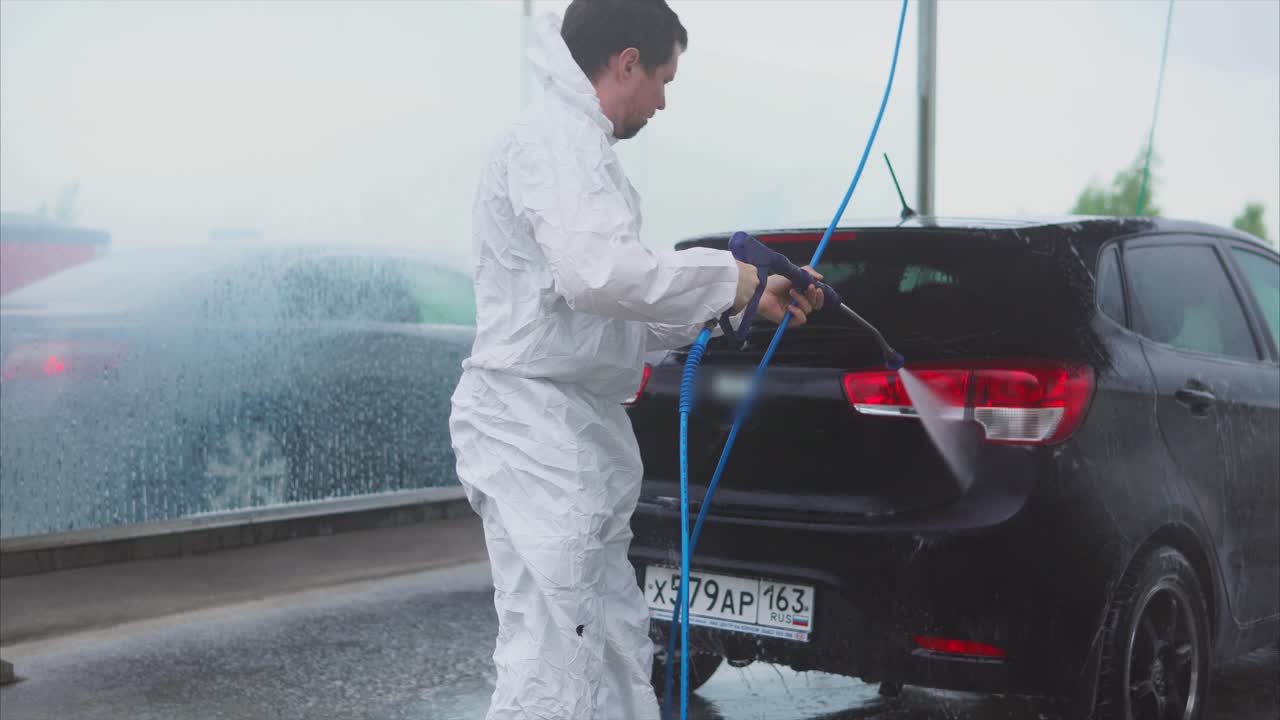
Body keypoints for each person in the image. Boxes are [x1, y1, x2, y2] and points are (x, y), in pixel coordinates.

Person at [449, 1, 823, 718]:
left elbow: (607, 319)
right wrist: (728, 278)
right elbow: (597, 273)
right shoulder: (554, 141)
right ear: (625, 63)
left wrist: (737, 304)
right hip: (532, 434)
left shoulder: (578, 153)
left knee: (611, 647)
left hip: (569, 434)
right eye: (663, 79)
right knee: (552, 661)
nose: (661, 102)